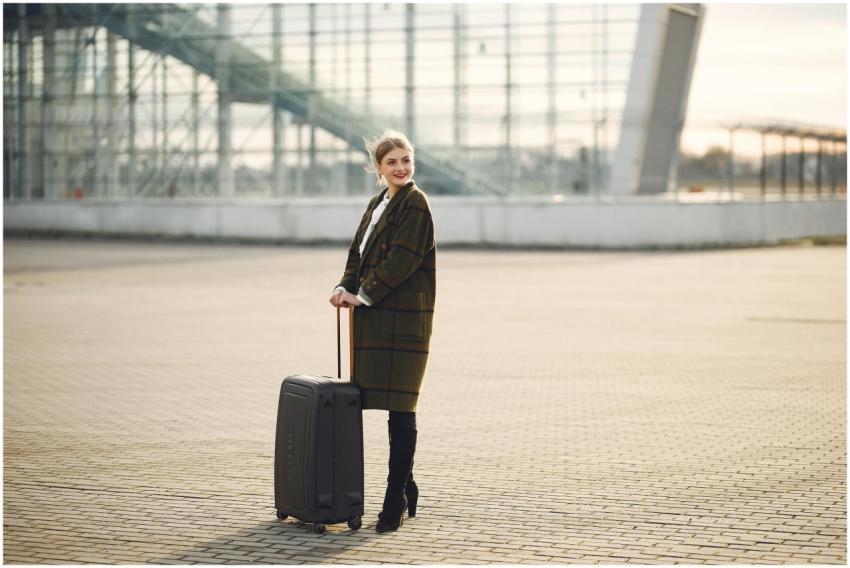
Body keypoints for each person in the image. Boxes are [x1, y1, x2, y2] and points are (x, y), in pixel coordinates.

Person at [328, 130, 436, 533]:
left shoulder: (416, 203)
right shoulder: (378, 204)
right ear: (378, 168)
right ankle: (408, 487)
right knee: (379, 401)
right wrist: (344, 285)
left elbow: (403, 260)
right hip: (375, 317)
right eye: (392, 162)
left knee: (401, 407)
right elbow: (357, 253)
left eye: (406, 160)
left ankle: (395, 499)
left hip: (404, 319)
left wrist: (364, 294)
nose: (401, 168)